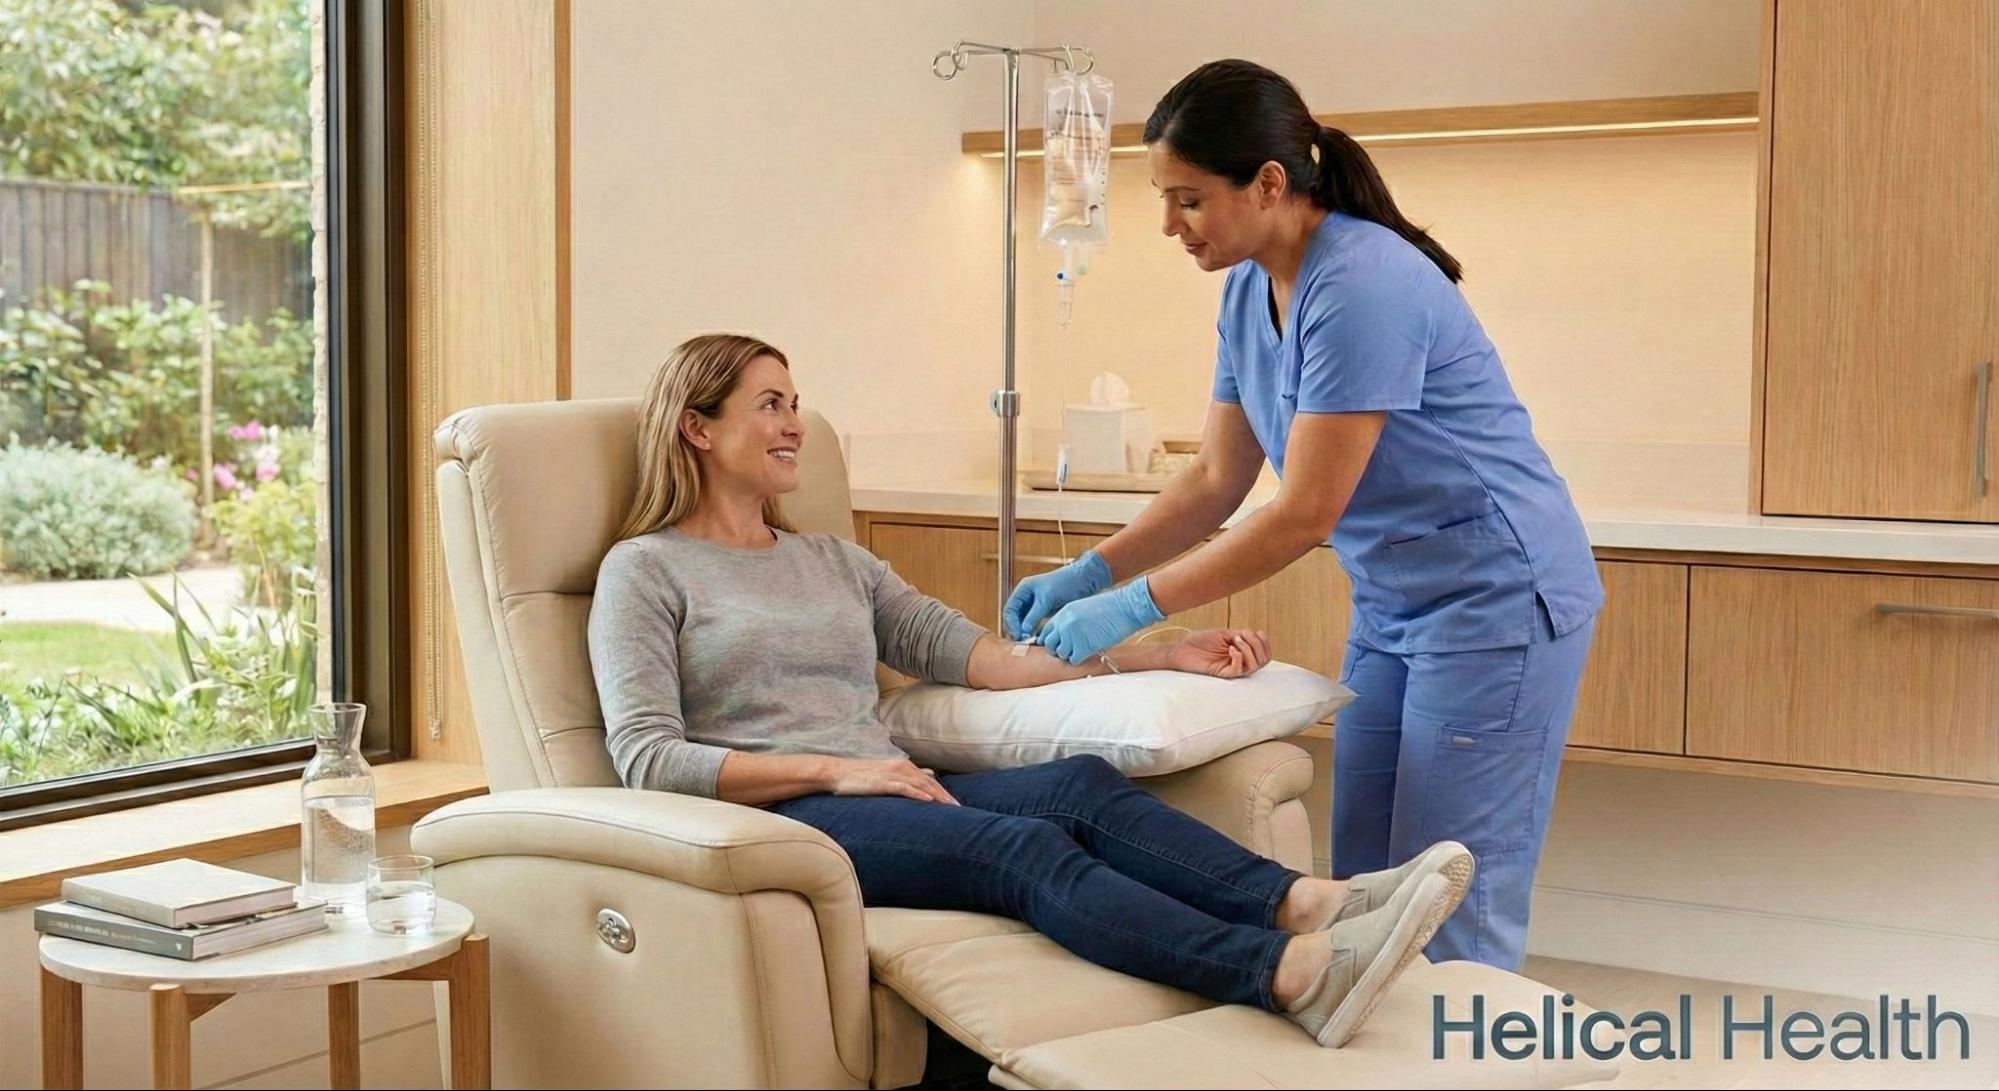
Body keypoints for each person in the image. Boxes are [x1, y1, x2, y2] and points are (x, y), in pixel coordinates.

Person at [587, 332, 1475, 1048]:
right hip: (786, 816)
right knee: (1021, 849)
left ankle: (1309, 901)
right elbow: (648, 757)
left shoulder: (833, 560)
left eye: (794, 403)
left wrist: (1160, 652)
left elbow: (991, 660)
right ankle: (1286, 973)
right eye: (769, 405)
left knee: (1078, 786)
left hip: (888, 788)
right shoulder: (647, 568)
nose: (794, 425)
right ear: (697, 427)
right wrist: (840, 771)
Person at [1004, 60, 1603, 972]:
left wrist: (1131, 607)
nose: (1169, 225)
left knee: (1451, 892)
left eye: (1188, 200)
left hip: (1495, 600)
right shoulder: (1248, 288)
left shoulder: (1363, 283)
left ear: (1268, 183)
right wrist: (1092, 570)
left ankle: (1466, 1042)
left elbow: (1303, 514)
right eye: (1164, 200)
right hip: (1392, 601)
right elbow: (1215, 477)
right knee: (1365, 883)